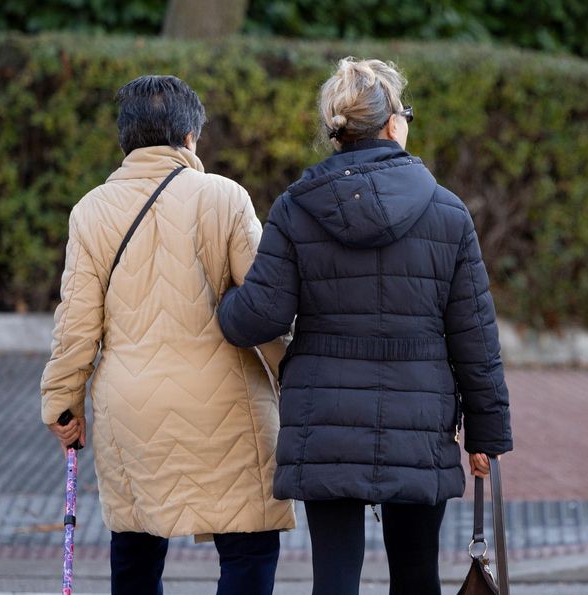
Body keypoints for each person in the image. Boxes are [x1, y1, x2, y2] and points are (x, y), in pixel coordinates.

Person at [217, 57, 513, 595]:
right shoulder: (447, 213)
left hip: (324, 416)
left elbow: (260, 315)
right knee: (418, 575)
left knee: (333, 578)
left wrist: (221, 302)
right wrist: (486, 435)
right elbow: (475, 336)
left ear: (337, 131)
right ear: (394, 124)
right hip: (420, 415)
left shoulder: (295, 209)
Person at [39, 75, 295, 595]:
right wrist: (297, 375)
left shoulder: (91, 211)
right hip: (227, 403)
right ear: (190, 137)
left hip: (131, 409)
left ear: (125, 140)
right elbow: (266, 309)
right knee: (249, 542)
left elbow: (76, 324)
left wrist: (63, 402)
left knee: (135, 544)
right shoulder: (225, 198)